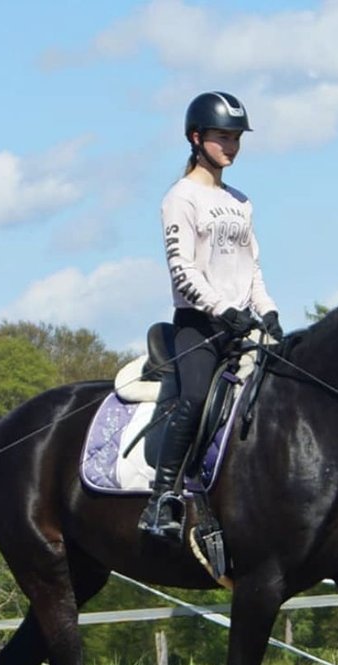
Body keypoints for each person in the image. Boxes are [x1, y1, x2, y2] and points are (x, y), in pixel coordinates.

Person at [138, 91, 283, 540]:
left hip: (245, 327)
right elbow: (182, 272)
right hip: (199, 329)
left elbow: (251, 267)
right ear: (197, 138)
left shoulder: (241, 200)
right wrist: (224, 310)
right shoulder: (180, 198)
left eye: (236, 137)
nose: (232, 145)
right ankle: (161, 499)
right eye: (223, 136)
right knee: (196, 397)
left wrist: (269, 311)